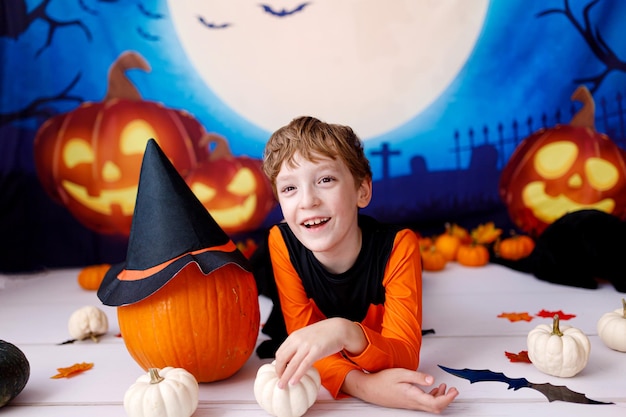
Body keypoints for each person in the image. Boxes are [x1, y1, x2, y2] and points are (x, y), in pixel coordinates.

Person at [259, 116, 458, 413]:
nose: (307, 201)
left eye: (325, 180)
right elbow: (304, 343)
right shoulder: (281, 242)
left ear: (362, 191)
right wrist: (364, 386)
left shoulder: (398, 246)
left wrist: (342, 331)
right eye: (290, 189)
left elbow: (404, 355)